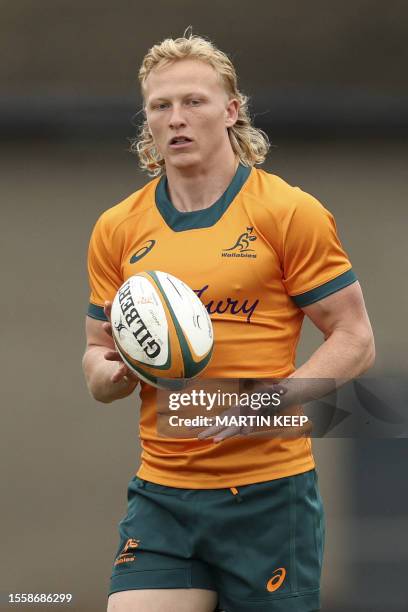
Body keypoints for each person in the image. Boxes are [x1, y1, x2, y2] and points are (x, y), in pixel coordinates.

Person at [82, 31, 375, 612]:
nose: (177, 119)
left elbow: (356, 338)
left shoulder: (287, 211)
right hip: (163, 494)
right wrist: (114, 374)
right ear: (147, 120)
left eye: (194, 101)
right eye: (161, 106)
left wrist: (263, 404)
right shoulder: (117, 227)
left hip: (269, 496)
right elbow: (95, 357)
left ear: (232, 111)